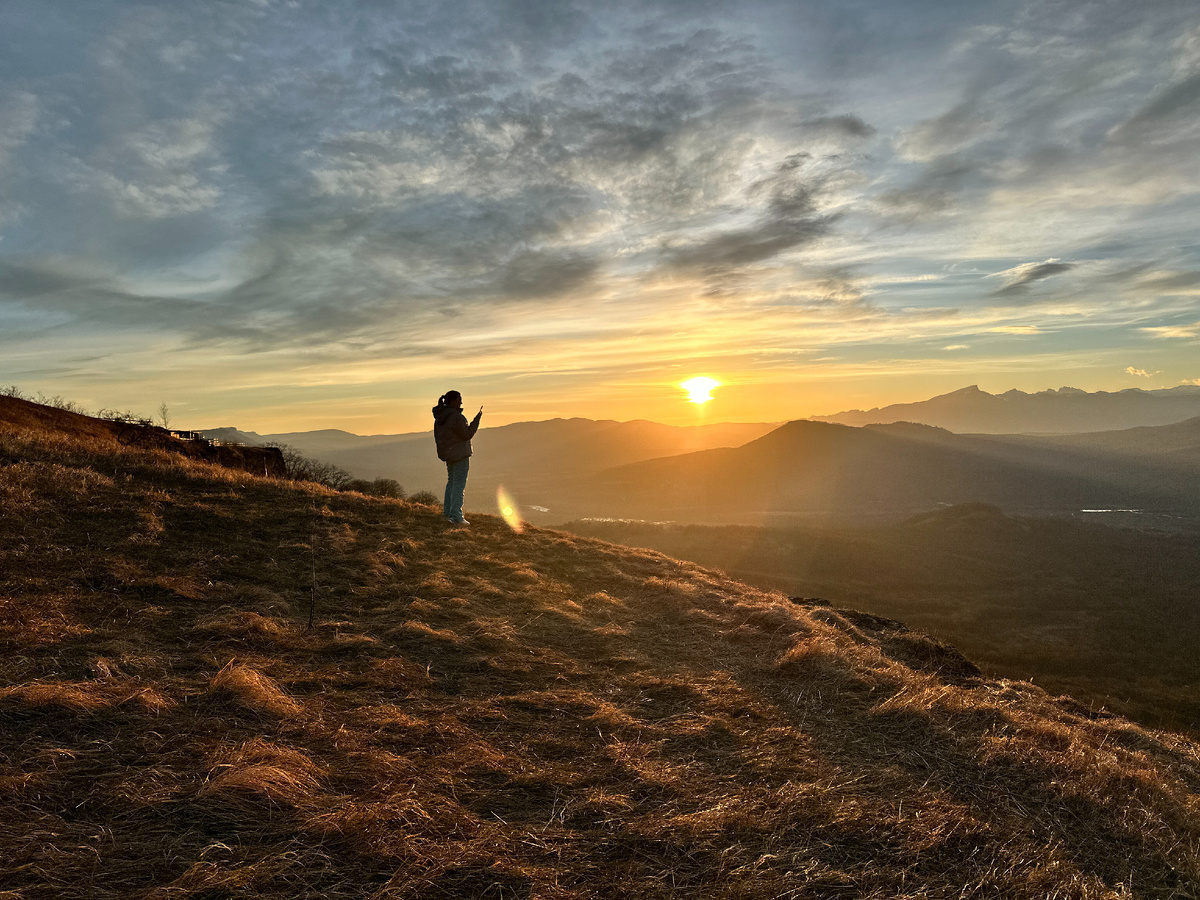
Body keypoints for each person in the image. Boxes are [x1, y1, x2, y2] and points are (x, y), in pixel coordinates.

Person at [432, 390, 482, 525]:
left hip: (448, 454)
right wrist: (476, 421)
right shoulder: (456, 417)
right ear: (453, 401)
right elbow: (467, 434)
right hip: (460, 454)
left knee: (451, 483)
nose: (461, 402)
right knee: (459, 485)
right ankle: (456, 516)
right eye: (459, 399)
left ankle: (447, 512)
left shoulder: (441, 417)